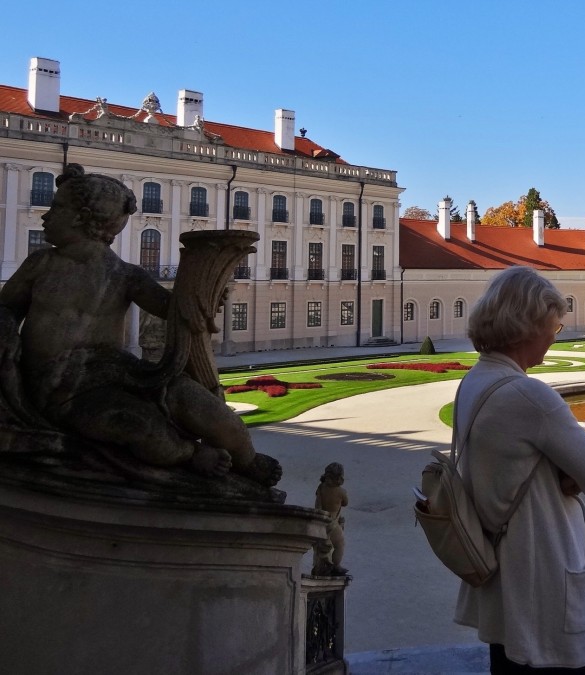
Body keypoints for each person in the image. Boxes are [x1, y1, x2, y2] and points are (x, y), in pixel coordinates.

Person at [0, 165, 279, 486]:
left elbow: (175, 312)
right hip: (62, 392)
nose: (46, 216)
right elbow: (6, 308)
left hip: (118, 372)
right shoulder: (40, 265)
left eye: (58, 207)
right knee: (137, 426)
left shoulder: (125, 275)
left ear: (84, 217)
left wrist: (207, 291)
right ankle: (191, 454)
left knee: (201, 405)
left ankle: (248, 459)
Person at [454, 266, 585, 674]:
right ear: (526, 326)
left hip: (503, 577)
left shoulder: (474, 382)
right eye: (553, 328)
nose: (553, 337)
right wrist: (571, 473)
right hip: (541, 572)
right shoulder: (530, 396)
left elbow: (510, 462)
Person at [313, 462, 349, 576]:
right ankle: (336, 565)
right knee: (339, 544)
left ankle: (321, 565)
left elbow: (318, 504)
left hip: (320, 520)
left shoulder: (321, 487)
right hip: (332, 522)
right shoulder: (341, 492)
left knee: (322, 547)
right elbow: (345, 503)